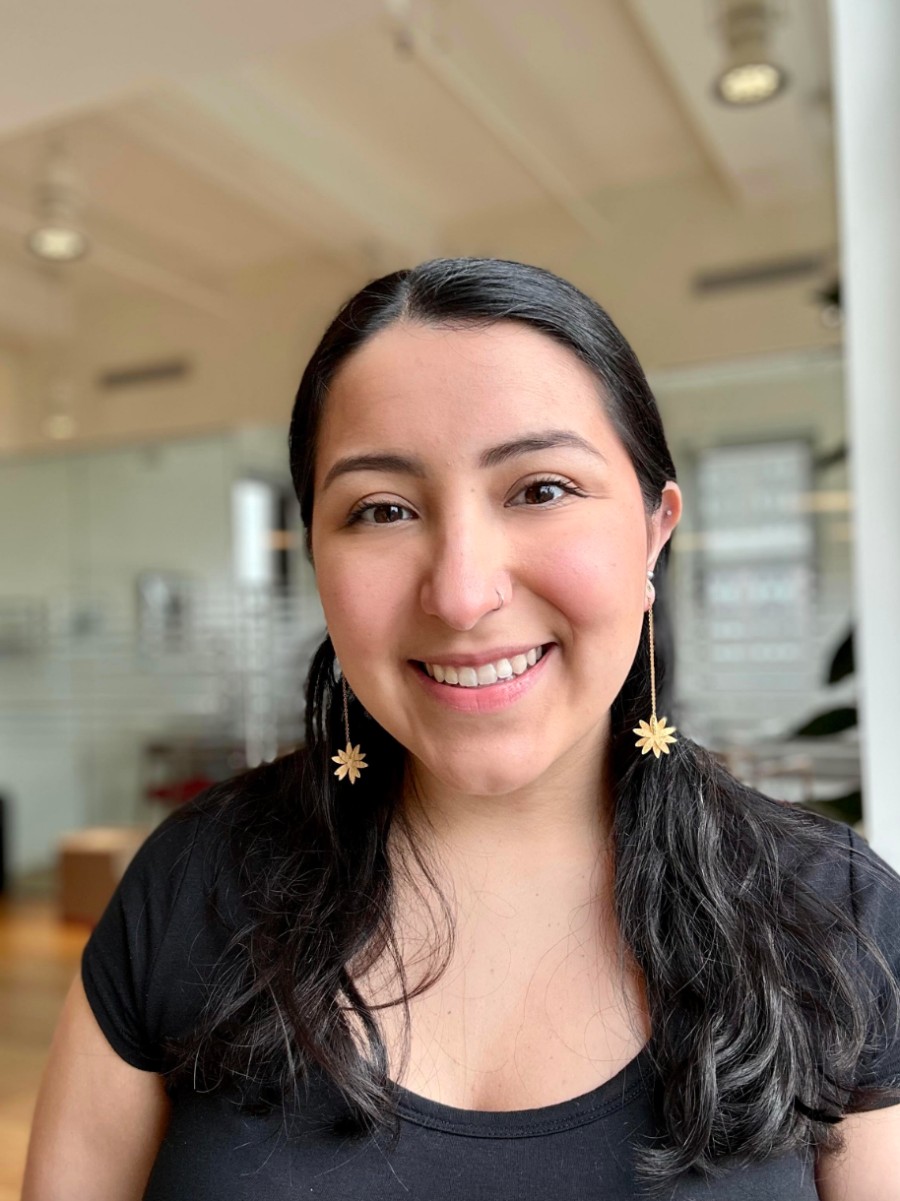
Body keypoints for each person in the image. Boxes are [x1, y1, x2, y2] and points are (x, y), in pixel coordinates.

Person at [23, 258, 900, 1200]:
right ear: (316, 556)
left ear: (655, 529)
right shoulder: (193, 884)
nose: (461, 592)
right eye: (382, 509)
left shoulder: (834, 914)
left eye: (541, 489)